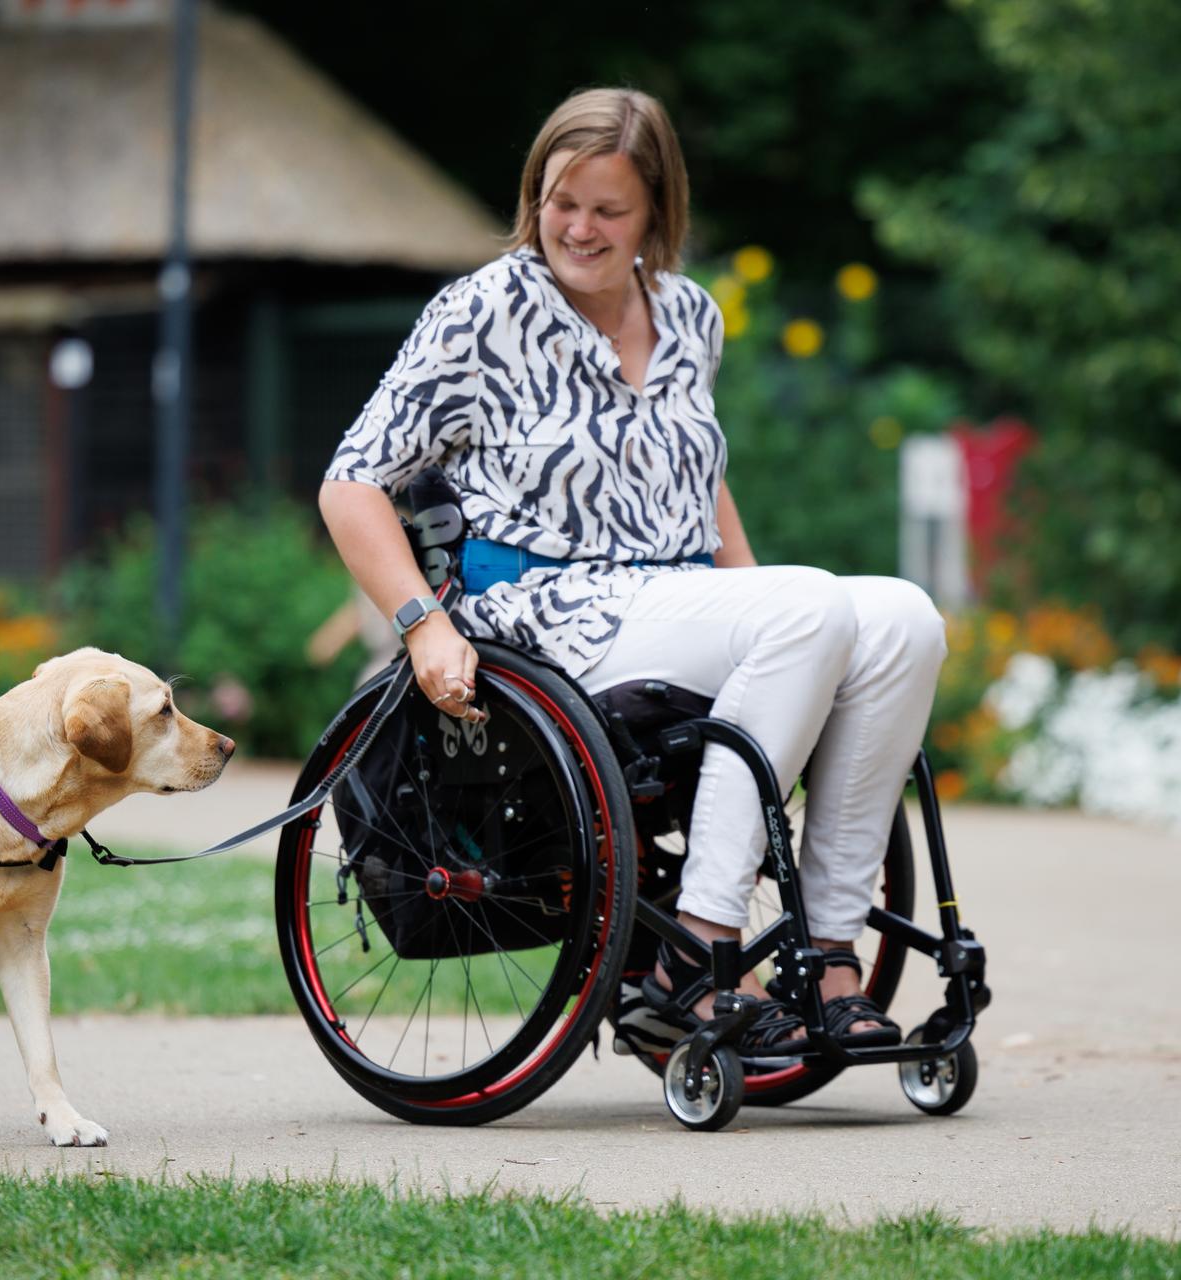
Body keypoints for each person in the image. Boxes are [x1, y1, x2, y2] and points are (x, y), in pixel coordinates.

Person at [316, 88, 946, 1056]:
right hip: (551, 614)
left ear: (656, 212)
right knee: (811, 608)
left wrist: (785, 612)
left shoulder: (691, 316)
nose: (579, 228)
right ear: (536, 196)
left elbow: (703, 483)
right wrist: (421, 622)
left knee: (903, 617)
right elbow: (352, 482)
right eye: (562, 201)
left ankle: (827, 951)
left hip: (675, 593)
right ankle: (693, 949)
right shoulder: (484, 310)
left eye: (609, 209)